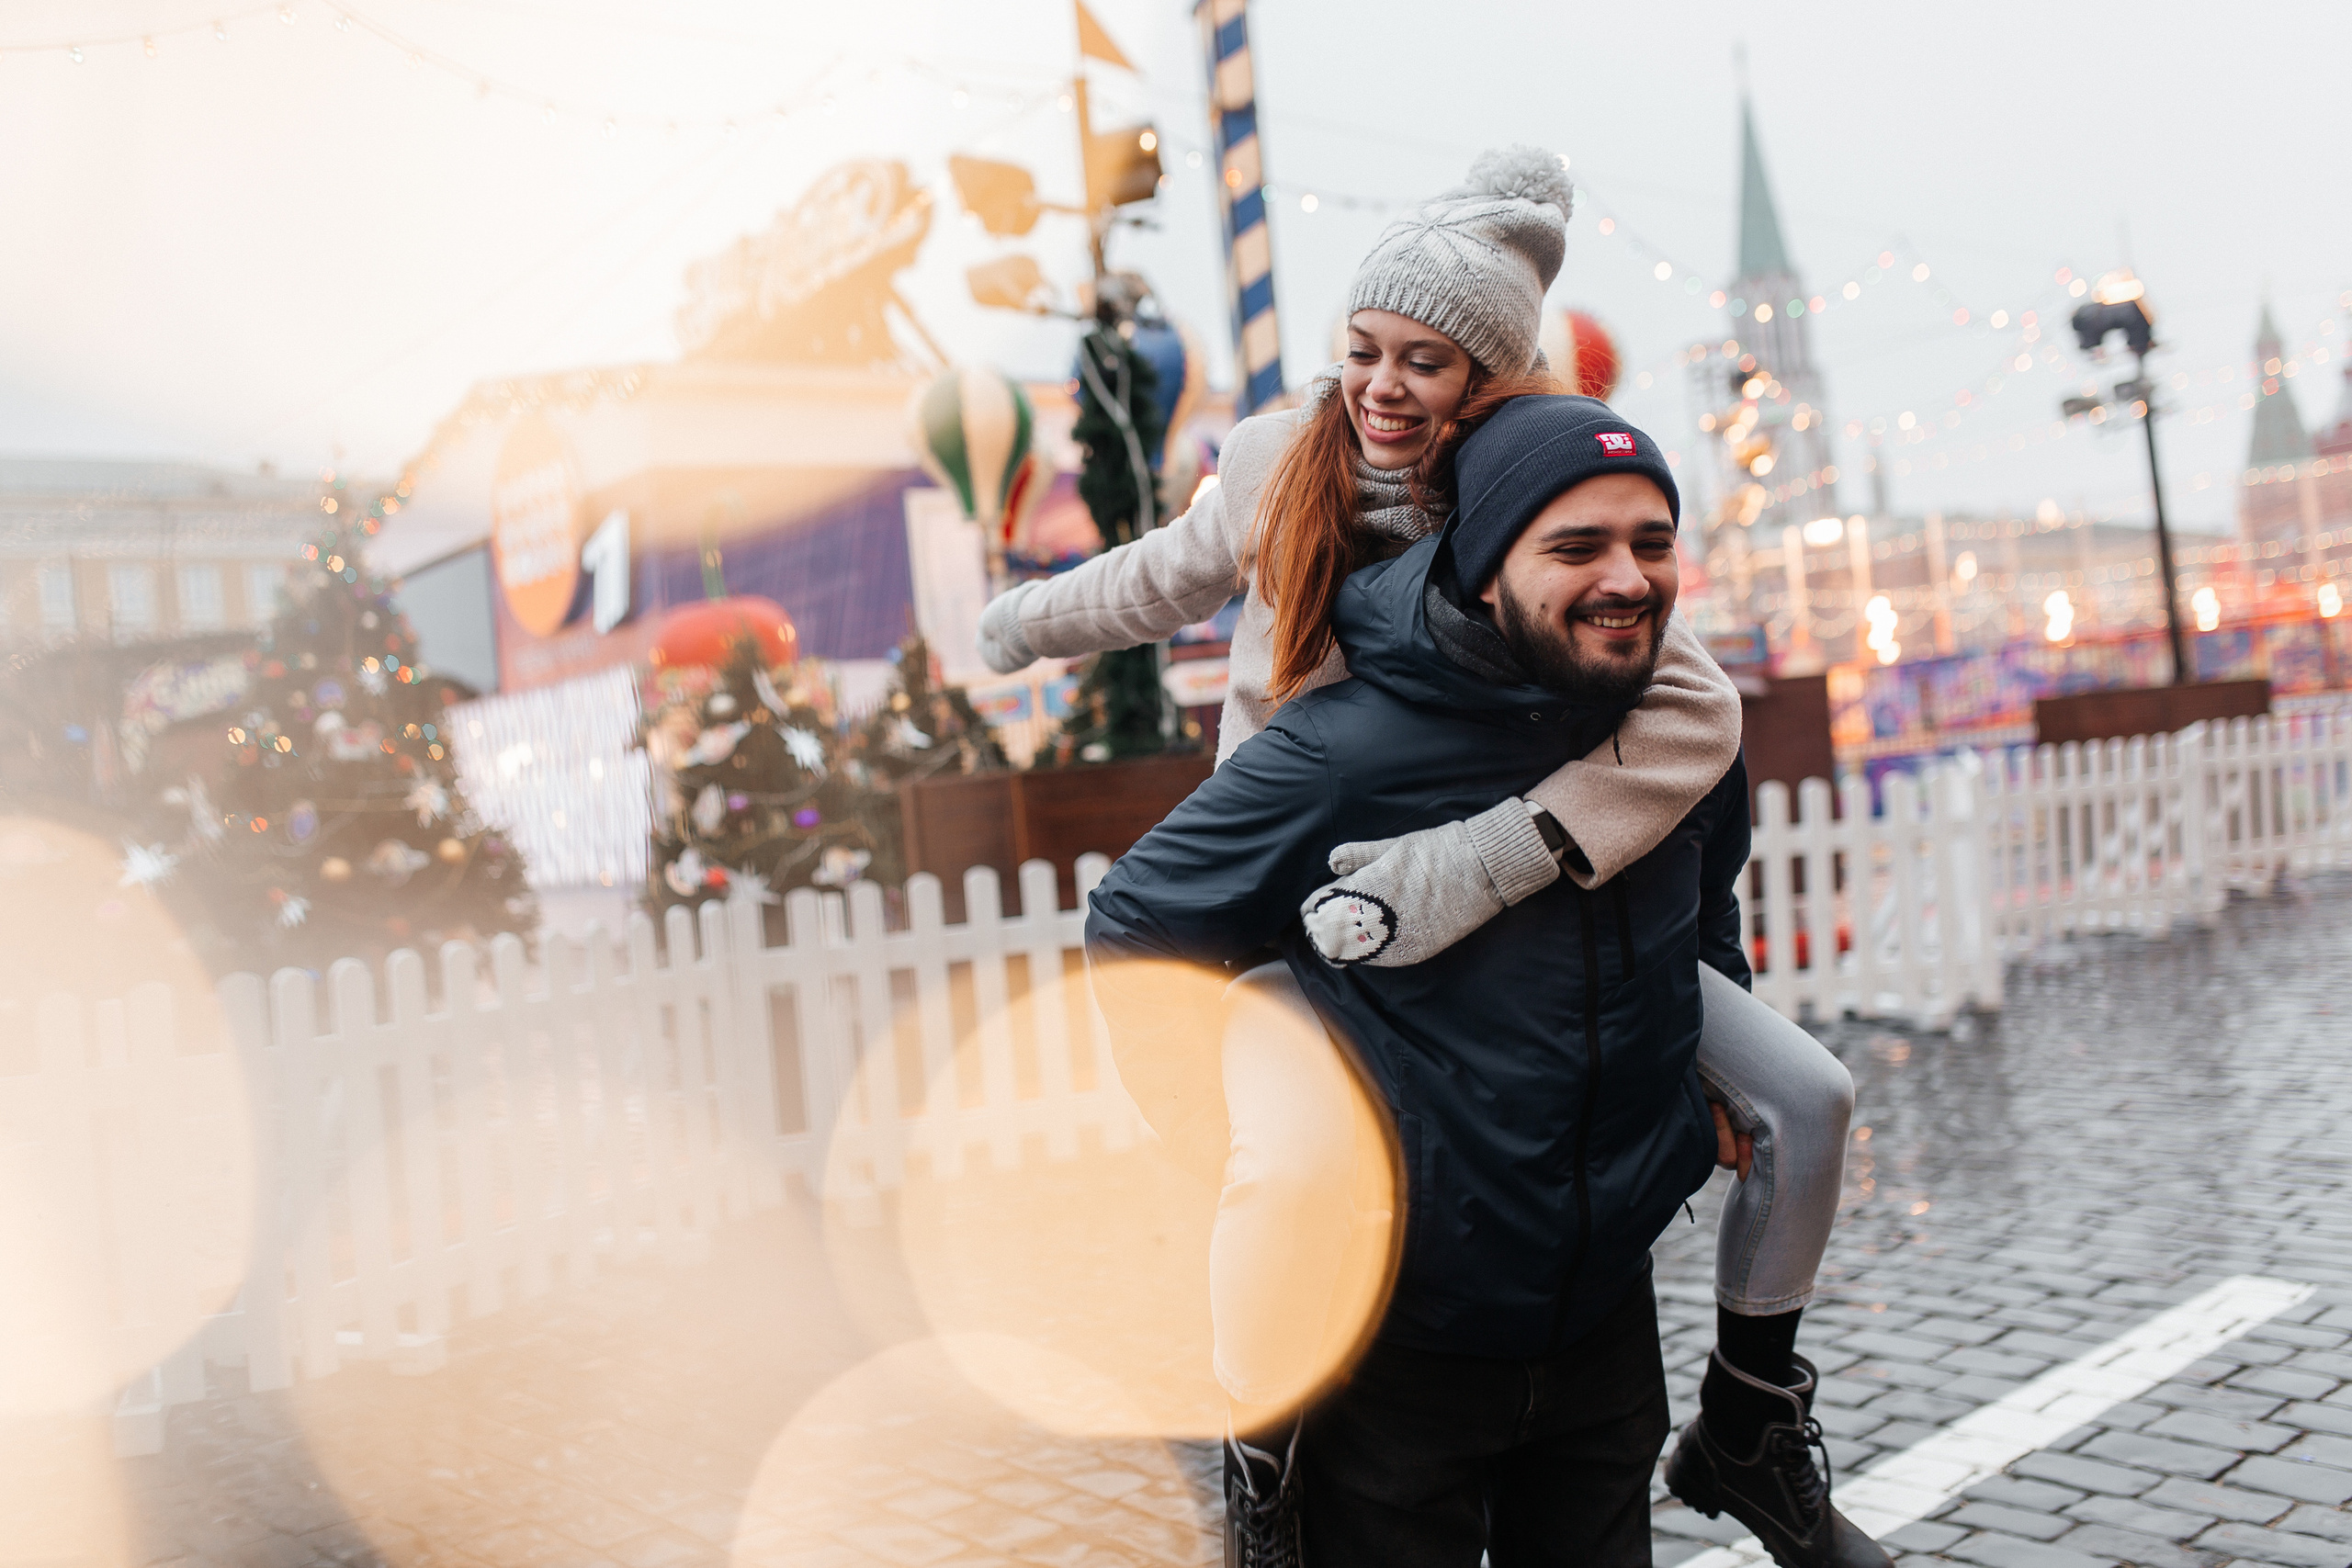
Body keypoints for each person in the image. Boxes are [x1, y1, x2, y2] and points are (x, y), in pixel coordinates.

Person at [985, 152, 1877, 1568]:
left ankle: (1754, 1419)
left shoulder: (1532, 495)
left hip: (1499, 912)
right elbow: (1164, 575)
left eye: (1428, 361)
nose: (1384, 387)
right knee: (1285, 1175)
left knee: (1814, 1099)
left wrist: (1544, 897)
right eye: (1364, 352)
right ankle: (1264, 1452)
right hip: (1293, 878)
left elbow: (1695, 719)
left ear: (1496, 387)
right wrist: (1025, 624)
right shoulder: (1288, 463)